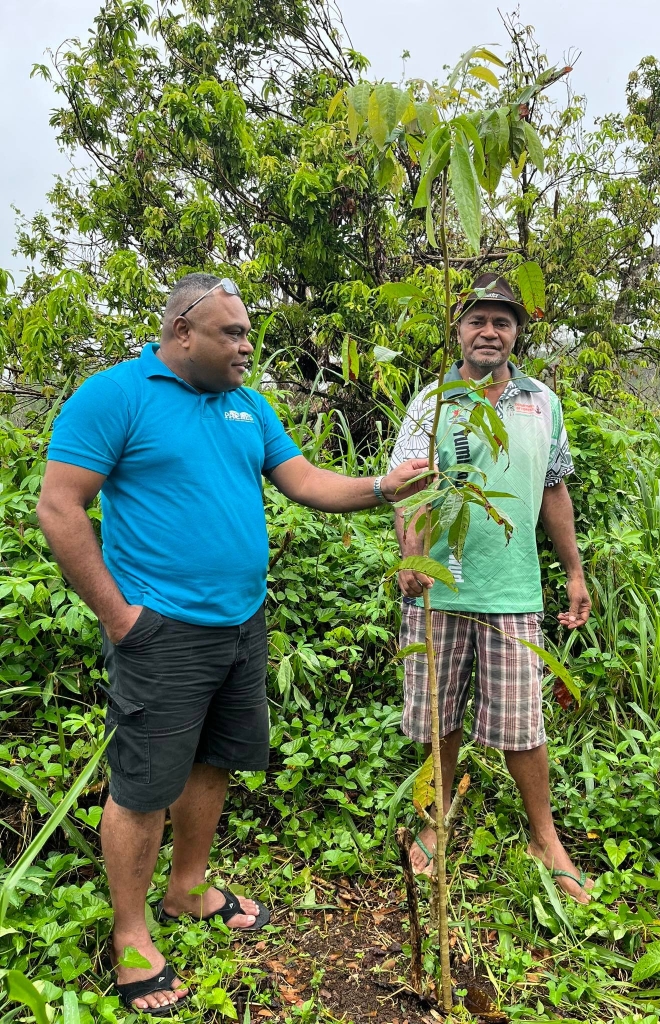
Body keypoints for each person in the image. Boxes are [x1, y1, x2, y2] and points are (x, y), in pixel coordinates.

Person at [36, 274, 430, 1015]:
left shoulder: (247, 406)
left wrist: (386, 486)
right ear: (182, 332)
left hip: (242, 625)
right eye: (232, 333)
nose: (248, 346)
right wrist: (121, 619)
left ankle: (187, 888)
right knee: (143, 785)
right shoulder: (116, 395)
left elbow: (306, 480)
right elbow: (59, 507)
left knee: (215, 760)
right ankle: (131, 935)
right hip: (161, 632)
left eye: (248, 333)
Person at [390, 272, 592, 903]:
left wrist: (575, 571)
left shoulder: (542, 402)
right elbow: (409, 486)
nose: (489, 331)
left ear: (516, 334)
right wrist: (413, 559)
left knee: (523, 725)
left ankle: (543, 837)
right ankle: (436, 820)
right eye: (478, 319)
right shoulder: (432, 401)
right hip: (440, 590)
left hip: (513, 591)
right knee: (437, 718)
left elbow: (555, 488)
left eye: (502, 321)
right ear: (458, 329)